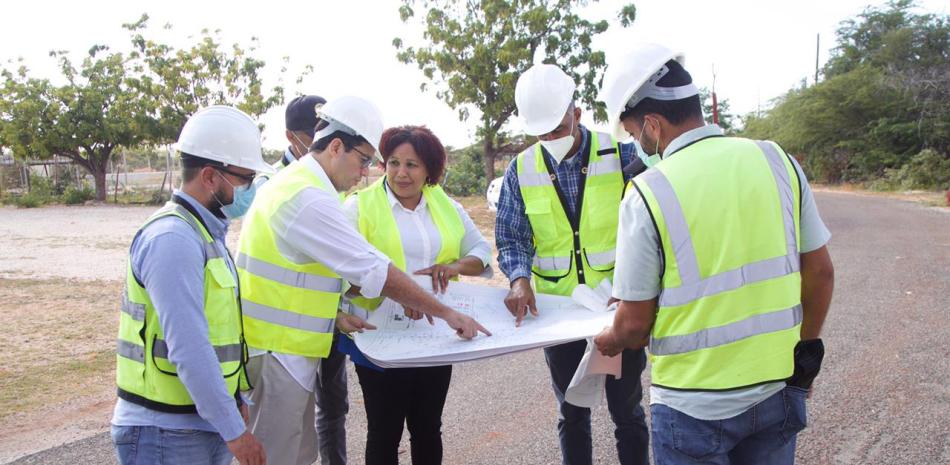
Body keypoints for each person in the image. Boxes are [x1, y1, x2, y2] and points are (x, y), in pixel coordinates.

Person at [594, 43, 835, 465]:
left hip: (692, 408)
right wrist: (806, 355)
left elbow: (633, 326)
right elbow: (820, 272)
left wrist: (609, 340)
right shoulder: (776, 160)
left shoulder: (647, 192)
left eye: (633, 134)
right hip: (776, 389)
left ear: (652, 124)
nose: (638, 145)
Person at [237, 96, 490, 465]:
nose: (366, 171)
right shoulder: (308, 197)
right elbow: (372, 270)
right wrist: (447, 313)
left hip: (289, 348)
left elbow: (303, 277)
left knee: (296, 455)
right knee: (281, 457)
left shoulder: (305, 186)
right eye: (366, 160)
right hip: (280, 351)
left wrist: (335, 318)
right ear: (337, 147)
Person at [495, 63, 649, 465]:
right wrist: (518, 279)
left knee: (627, 412)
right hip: (559, 312)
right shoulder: (521, 169)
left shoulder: (622, 154)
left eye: (557, 129)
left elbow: (651, 224)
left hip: (616, 307)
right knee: (572, 413)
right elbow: (513, 236)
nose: (550, 139)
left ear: (576, 114)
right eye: (542, 133)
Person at [111, 105, 274, 465]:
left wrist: (233, 401)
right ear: (211, 176)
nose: (249, 189)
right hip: (166, 432)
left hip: (196, 424)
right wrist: (235, 432)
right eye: (245, 178)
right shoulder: (174, 238)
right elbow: (189, 348)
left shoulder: (205, 232)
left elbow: (219, 333)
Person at [339, 125, 492, 465]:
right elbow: (340, 275)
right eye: (393, 162)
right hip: (379, 337)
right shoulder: (358, 207)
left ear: (429, 170)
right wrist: (399, 294)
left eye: (412, 165)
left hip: (435, 334)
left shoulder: (445, 204)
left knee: (427, 427)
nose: (401, 173)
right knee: (384, 431)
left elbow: (481, 251)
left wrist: (453, 267)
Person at [251, 94, 350, 465]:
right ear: (292, 136)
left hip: (325, 319)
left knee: (332, 407)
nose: (319, 139)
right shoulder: (274, 183)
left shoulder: (327, 180)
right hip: (284, 333)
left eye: (326, 130)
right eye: (313, 132)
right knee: (285, 434)